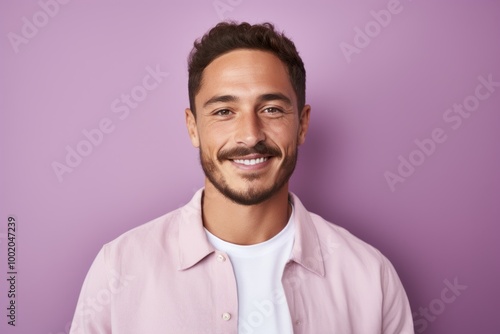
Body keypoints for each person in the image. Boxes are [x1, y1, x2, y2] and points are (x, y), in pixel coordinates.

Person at [69, 21, 414, 334]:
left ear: (303, 124)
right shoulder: (119, 268)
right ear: (193, 127)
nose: (250, 135)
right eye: (223, 112)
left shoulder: (371, 278)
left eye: (271, 109)